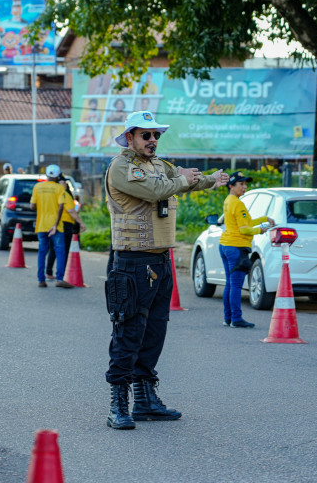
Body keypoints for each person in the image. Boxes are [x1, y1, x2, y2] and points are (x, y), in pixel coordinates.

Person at [103, 110, 228, 429]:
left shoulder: (161, 167)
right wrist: (181, 179)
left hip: (160, 259)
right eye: (146, 135)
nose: (153, 140)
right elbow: (159, 190)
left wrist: (214, 180)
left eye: (156, 135)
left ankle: (145, 399)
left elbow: (186, 182)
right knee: (129, 331)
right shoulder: (122, 166)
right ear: (129, 137)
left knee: (155, 330)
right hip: (131, 261)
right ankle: (119, 403)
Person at [218, 171, 275, 328]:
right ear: (231, 186)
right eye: (241, 184)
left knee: (230, 283)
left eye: (245, 184)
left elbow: (246, 222)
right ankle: (236, 319)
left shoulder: (229, 200)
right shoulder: (238, 203)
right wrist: (261, 230)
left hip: (225, 244)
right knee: (235, 285)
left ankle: (227, 318)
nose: (245, 187)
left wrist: (264, 219)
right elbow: (245, 229)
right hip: (236, 246)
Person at [30, 164, 70, 288]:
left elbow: (32, 206)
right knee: (60, 252)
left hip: (42, 225)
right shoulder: (59, 188)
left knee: (42, 252)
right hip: (56, 227)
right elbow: (61, 206)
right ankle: (59, 279)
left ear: (47, 175)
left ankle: (41, 280)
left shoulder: (38, 187)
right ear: (58, 176)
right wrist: (55, 224)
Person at [45, 174, 87, 280]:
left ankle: (49, 272)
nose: (64, 184)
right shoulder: (64, 195)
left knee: (53, 249)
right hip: (64, 224)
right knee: (63, 249)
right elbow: (71, 211)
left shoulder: (53, 194)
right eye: (62, 182)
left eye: (64, 182)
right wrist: (81, 222)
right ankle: (62, 275)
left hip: (53, 223)